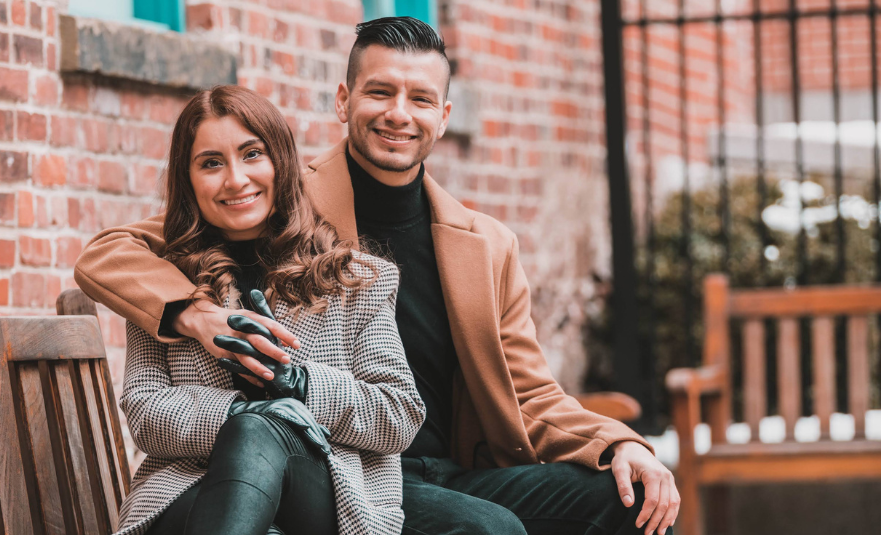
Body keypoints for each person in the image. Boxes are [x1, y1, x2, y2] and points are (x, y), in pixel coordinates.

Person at [78, 17, 679, 535]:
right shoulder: (279, 198)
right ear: (344, 102)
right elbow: (117, 251)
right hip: (339, 465)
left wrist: (617, 442)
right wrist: (197, 313)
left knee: (629, 501)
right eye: (380, 92)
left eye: (420, 99)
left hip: (456, 469)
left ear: (443, 117)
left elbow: (531, 393)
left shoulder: (487, 245)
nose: (398, 114)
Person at [109, 85, 425, 535]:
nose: (235, 179)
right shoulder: (163, 282)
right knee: (252, 434)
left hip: (323, 493)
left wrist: (299, 386)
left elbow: (399, 414)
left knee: (260, 434)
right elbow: (145, 412)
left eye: (252, 154)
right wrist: (240, 412)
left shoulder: (358, 280)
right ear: (189, 178)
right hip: (189, 488)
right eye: (211, 163)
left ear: (280, 162)